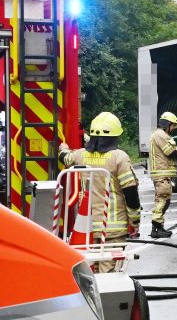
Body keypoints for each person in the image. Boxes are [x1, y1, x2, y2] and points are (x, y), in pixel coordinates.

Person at [59, 112, 141, 271]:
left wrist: (63, 148)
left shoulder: (81, 155)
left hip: (87, 227)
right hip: (112, 230)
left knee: (92, 273)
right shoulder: (119, 157)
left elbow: (65, 157)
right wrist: (135, 221)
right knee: (108, 274)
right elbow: (131, 193)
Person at [148, 111, 177, 238]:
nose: (173, 129)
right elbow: (171, 152)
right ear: (167, 124)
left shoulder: (159, 134)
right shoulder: (161, 135)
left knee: (165, 200)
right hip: (161, 172)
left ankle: (159, 227)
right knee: (162, 200)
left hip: (162, 173)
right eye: (173, 126)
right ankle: (156, 228)